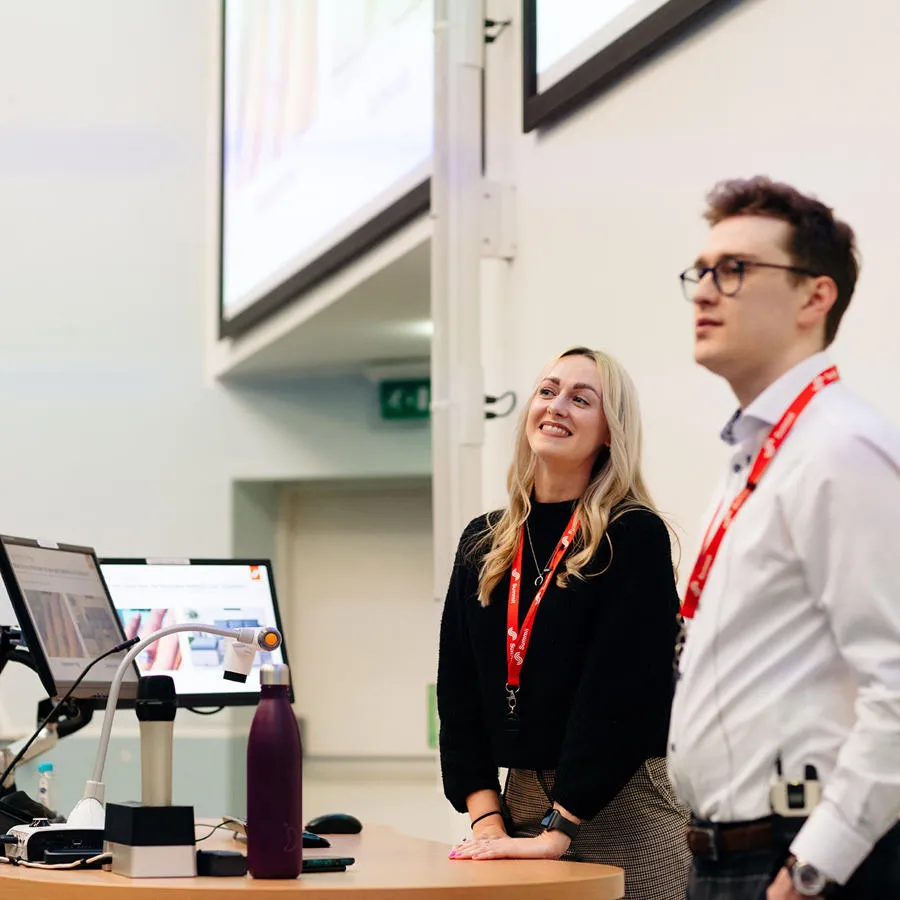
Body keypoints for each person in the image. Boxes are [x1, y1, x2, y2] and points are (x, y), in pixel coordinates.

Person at [671, 176, 900, 899]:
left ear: (814, 297)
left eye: (734, 269)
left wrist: (809, 872)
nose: (705, 292)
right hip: (726, 857)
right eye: (701, 272)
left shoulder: (840, 449)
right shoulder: (754, 457)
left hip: (801, 866)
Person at [437, 346, 690, 899]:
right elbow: (457, 692)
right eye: (548, 391)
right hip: (519, 803)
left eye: (582, 399)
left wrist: (561, 827)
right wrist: (486, 818)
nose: (557, 407)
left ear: (609, 432)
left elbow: (624, 694)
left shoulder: (633, 535)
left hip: (625, 801)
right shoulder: (484, 541)